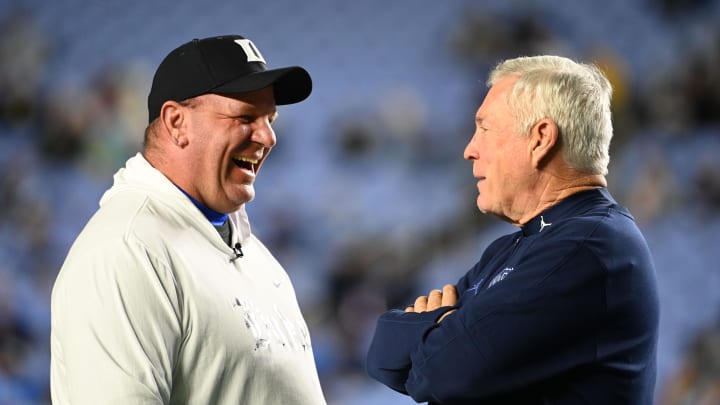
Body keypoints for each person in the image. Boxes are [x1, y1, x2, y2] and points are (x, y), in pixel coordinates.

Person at [366, 55, 660, 404]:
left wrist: (432, 330)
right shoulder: (516, 247)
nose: (469, 150)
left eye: (485, 129)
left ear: (540, 139)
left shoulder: (590, 248)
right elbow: (381, 355)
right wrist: (442, 327)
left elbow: (447, 373)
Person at [50, 35, 327, 405]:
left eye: (269, 119)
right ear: (177, 122)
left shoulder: (256, 256)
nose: (268, 136)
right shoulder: (127, 249)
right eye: (245, 117)